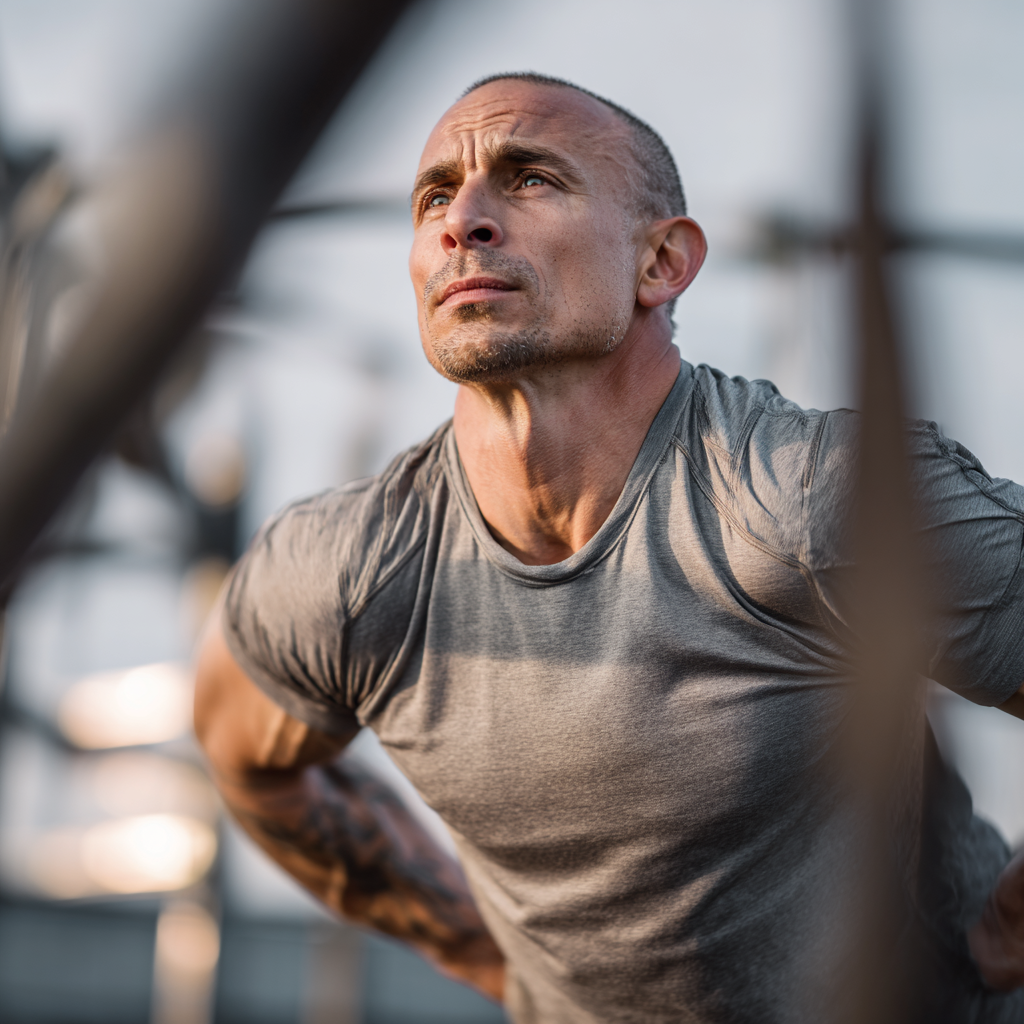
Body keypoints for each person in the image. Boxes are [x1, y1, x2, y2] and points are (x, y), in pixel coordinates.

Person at [194, 72, 1024, 1022]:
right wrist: (467, 941)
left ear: (662, 263)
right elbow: (247, 757)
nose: (463, 219)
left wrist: (1011, 920)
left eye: (531, 179)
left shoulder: (808, 499)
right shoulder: (346, 574)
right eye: (434, 197)